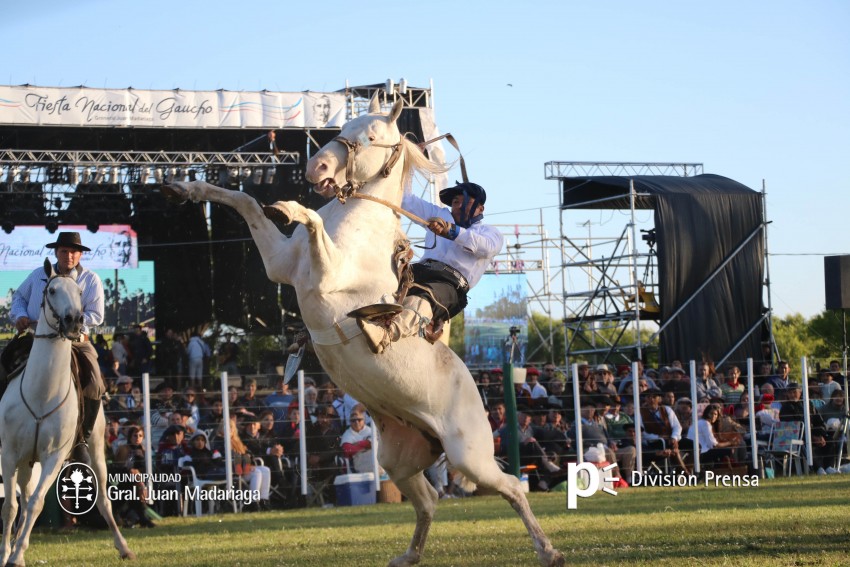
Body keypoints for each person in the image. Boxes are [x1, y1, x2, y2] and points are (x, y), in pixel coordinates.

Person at [355, 182, 505, 354]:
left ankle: (387, 334)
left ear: (480, 208)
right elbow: (406, 200)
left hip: (451, 284)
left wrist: (451, 231)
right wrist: (411, 157)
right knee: (381, 273)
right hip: (419, 271)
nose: (458, 206)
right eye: (455, 202)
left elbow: (486, 247)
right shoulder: (440, 215)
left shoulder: (490, 232)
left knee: (424, 298)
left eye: (465, 202)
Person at [8, 232, 106, 465]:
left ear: (80, 255)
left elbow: (97, 314)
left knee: (94, 383)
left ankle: (82, 437)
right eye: (64, 251)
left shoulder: (90, 280)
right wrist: (21, 315)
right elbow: (19, 298)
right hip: (35, 337)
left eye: (73, 251)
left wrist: (76, 323)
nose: (69, 256)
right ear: (56, 253)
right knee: (2, 364)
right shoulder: (37, 275)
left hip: (75, 341)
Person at [341, 406, 374, 473]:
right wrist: (367, 444)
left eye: (359, 420)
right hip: (356, 468)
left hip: (373, 465)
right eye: (353, 420)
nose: (356, 422)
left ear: (364, 420)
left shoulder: (370, 430)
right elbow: (347, 450)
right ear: (350, 422)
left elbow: (375, 444)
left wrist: (358, 444)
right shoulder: (347, 434)